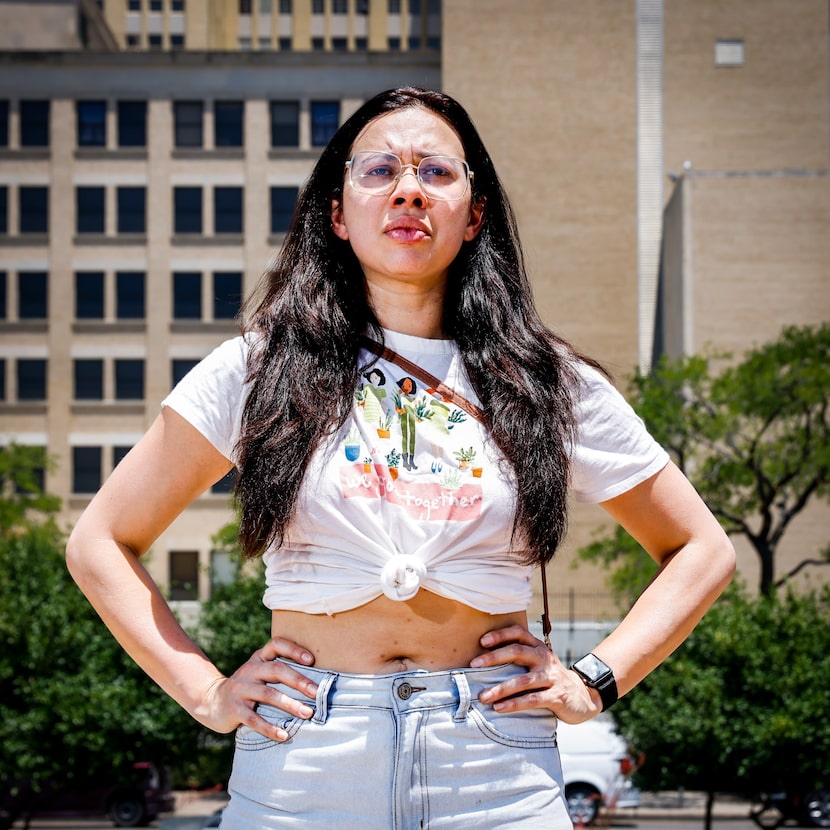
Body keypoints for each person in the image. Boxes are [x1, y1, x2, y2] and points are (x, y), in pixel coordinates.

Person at [66, 87, 735, 829]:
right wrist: (206, 692)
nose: (408, 190)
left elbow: (701, 550)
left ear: (475, 214)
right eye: (380, 171)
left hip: (496, 766)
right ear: (338, 213)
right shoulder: (257, 368)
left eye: (437, 173)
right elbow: (100, 542)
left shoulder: (547, 382)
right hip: (303, 759)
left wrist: (591, 683)